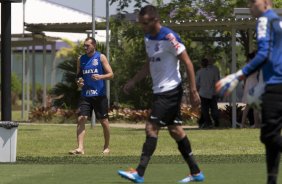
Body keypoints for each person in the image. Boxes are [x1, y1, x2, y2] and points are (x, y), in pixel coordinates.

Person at [117, 5, 204, 183]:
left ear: (155, 20)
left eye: (145, 23)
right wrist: (134, 81)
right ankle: (196, 172)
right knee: (175, 130)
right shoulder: (148, 37)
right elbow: (149, 64)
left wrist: (194, 90)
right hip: (159, 91)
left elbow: (188, 62)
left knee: (151, 127)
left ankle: (139, 173)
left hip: (170, 90)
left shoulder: (170, 37)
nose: (143, 26)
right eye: (141, 23)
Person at [216, 0, 282, 183]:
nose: (251, 6)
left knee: (269, 135)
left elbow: (263, 54)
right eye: (249, 2)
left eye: (254, 2)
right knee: (271, 135)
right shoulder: (277, 21)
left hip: (276, 84)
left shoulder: (263, 21)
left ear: (267, 3)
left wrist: (238, 75)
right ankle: (271, 180)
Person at [69, 37, 114, 155]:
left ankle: (106, 146)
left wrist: (100, 76)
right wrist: (79, 81)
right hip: (85, 95)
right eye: (84, 45)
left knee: (104, 122)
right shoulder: (81, 59)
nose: (85, 47)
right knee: (81, 118)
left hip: (99, 95)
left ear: (94, 45)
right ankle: (80, 148)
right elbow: (78, 76)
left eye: (87, 45)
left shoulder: (100, 57)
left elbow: (111, 74)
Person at [196, 58, 220, 128]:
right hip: (213, 93)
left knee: (205, 110)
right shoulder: (214, 71)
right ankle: (216, 121)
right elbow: (217, 81)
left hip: (203, 93)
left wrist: (196, 92)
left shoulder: (199, 72)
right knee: (214, 108)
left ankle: (208, 123)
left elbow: (197, 83)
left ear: (202, 64)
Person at [241, 52, 260, 128]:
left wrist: (245, 85)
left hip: (248, 84)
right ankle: (256, 124)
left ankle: (242, 124)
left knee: (247, 106)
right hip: (254, 83)